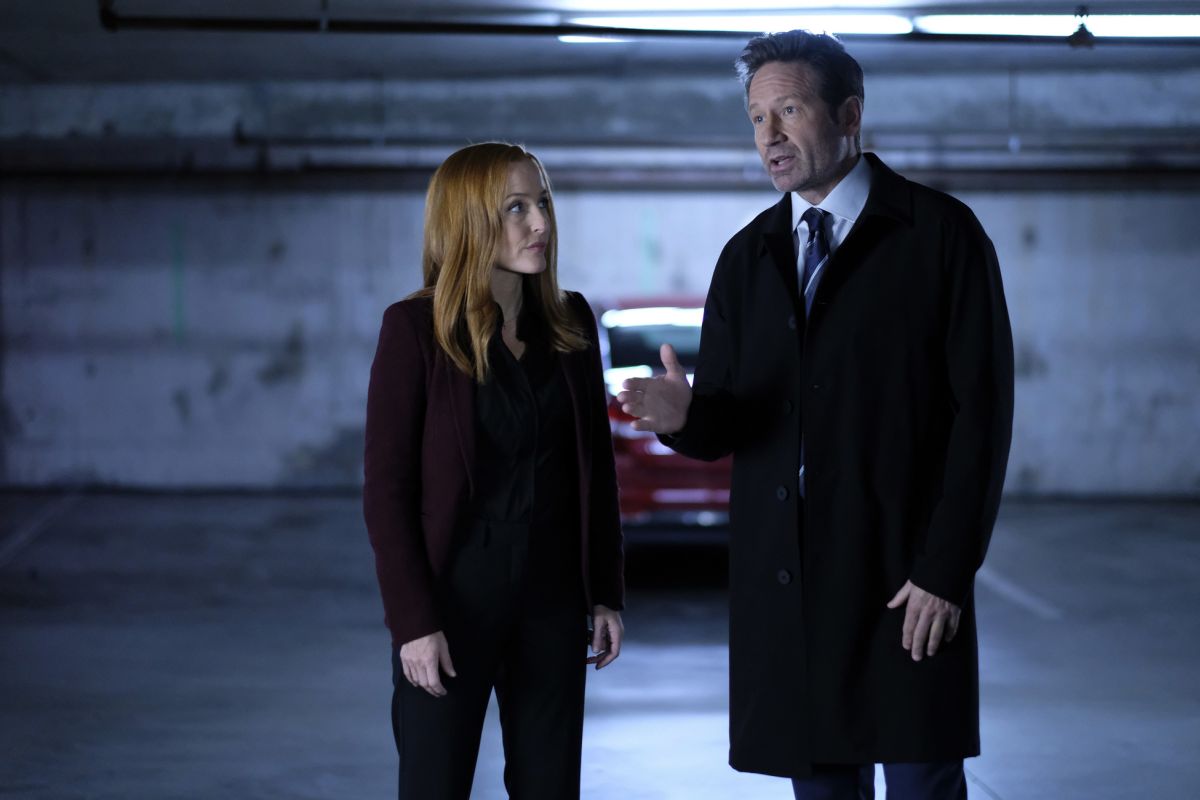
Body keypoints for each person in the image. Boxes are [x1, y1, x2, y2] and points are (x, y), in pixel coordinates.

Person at [617, 30, 1014, 800]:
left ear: (849, 114)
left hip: (904, 579)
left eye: (789, 110)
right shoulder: (747, 258)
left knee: (923, 780)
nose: (768, 135)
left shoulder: (940, 236)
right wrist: (683, 417)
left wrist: (944, 571)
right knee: (823, 789)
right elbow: (731, 423)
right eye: (756, 117)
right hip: (789, 582)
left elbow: (983, 416)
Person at [362, 141, 625, 800]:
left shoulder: (571, 323)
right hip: (453, 602)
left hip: (552, 601)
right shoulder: (414, 330)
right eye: (515, 208)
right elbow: (387, 493)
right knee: (435, 786)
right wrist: (412, 623)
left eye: (542, 203)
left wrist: (605, 592)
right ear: (468, 220)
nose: (540, 223)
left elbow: (594, 470)